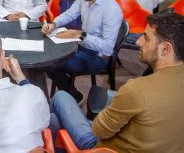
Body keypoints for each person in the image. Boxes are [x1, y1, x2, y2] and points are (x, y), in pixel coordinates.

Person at [49, 12, 184, 152]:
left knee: (61, 98)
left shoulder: (137, 89)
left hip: (104, 147)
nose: (138, 42)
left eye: (146, 38)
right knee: (55, 120)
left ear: (165, 49)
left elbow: (98, 131)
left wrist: (117, 105)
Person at [41, 0, 123, 103]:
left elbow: (107, 48)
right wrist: (54, 24)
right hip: (82, 44)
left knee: (51, 65)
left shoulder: (111, 9)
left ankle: (74, 97)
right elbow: (69, 14)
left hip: (98, 56)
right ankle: (72, 94)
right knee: (49, 53)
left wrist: (81, 35)